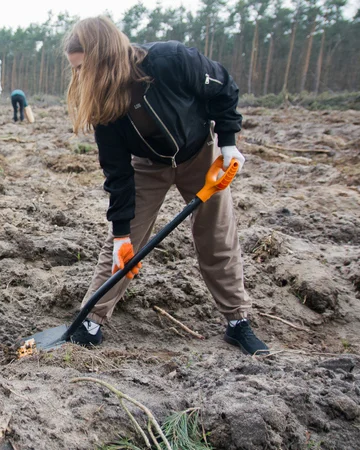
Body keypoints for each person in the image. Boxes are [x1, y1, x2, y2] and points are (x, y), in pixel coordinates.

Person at [64, 16, 268, 356]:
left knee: (216, 236)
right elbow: (117, 173)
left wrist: (228, 142)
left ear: (104, 55)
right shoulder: (103, 105)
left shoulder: (171, 60)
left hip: (201, 156)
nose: (80, 76)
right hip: (148, 167)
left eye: (84, 67)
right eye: (76, 69)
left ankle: (237, 321)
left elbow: (223, 86)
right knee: (122, 246)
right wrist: (120, 235)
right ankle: (90, 320)